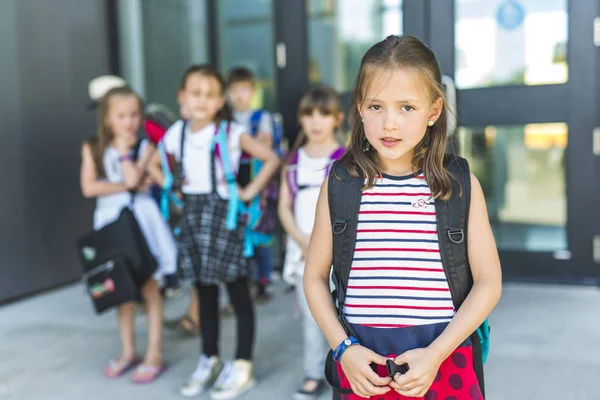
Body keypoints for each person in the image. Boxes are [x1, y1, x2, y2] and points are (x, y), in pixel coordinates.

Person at [303, 35, 502, 400]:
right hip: (363, 361)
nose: (389, 123)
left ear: (433, 111)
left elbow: (489, 282)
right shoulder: (341, 184)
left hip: (442, 356)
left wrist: (438, 353)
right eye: (377, 106)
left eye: (406, 108)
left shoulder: (459, 184)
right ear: (360, 108)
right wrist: (343, 349)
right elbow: (314, 278)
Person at [153, 64, 280, 399]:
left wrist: (249, 191)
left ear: (220, 99)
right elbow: (156, 162)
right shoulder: (176, 133)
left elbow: (270, 158)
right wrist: (171, 187)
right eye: (195, 93)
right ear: (182, 97)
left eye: (210, 95)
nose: (202, 101)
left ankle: (242, 364)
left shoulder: (230, 132)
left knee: (238, 293)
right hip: (193, 218)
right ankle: (208, 358)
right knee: (204, 292)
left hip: (224, 218)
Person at [80, 86, 177, 383]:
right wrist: (128, 184)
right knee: (120, 289)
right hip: (110, 221)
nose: (130, 122)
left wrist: (124, 154)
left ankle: (154, 353)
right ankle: (128, 351)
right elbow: (90, 188)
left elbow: (133, 178)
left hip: (140, 223)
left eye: (134, 114)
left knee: (148, 287)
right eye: (121, 116)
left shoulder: (145, 147)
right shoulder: (92, 146)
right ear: (108, 119)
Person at [278, 86, 346, 399]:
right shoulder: (293, 161)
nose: (316, 121)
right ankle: (313, 371)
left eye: (324, 113)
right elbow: (284, 206)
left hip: (339, 247)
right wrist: (301, 240)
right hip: (303, 248)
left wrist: (324, 244)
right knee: (311, 312)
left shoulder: (345, 159)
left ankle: (347, 368)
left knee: (345, 311)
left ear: (337, 119)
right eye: (309, 114)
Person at [226, 66, 276, 301]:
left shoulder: (261, 117)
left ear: (253, 91)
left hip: (257, 173)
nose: (239, 95)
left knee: (259, 226)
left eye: (244, 90)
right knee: (238, 225)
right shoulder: (226, 119)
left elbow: (264, 145)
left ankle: (263, 280)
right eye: (234, 90)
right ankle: (245, 277)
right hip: (234, 174)